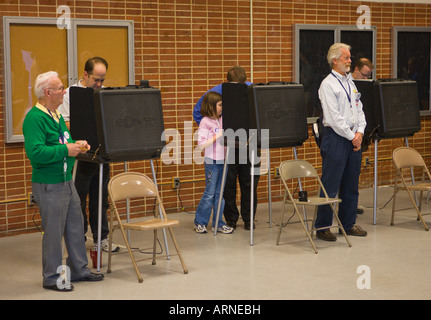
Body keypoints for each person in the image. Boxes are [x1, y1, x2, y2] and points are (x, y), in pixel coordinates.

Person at [23, 71, 104, 292]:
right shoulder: (34, 118)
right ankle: (51, 277)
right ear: (48, 92)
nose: (64, 91)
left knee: (75, 227)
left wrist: (77, 145)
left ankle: (79, 269)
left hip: (66, 180)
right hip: (49, 183)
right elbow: (36, 152)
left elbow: (64, 142)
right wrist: (66, 149)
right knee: (54, 232)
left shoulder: (56, 115)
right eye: (59, 88)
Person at [58, 57, 119, 252]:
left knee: (100, 199)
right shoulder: (69, 95)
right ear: (85, 74)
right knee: (78, 198)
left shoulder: (101, 93)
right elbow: (64, 125)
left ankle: (101, 238)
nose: (99, 84)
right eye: (96, 79)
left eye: (102, 80)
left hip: (100, 154)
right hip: (80, 155)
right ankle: (78, 238)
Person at [193, 66, 259, 230]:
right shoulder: (223, 91)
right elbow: (199, 112)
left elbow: (197, 112)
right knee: (235, 183)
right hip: (230, 144)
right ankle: (238, 220)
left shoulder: (249, 90)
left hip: (244, 142)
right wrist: (212, 129)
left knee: (243, 182)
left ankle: (241, 219)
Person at [315, 43, 368, 241]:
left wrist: (360, 132)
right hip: (336, 138)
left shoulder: (350, 82)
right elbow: (334, 117)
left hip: (354, 137)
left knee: (351, 183)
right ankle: (323, 227)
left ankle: (348, 224)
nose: (349, 61)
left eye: (349, 57)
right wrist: (351, 135)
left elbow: (359, 108)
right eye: (346, 58)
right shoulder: (328, 84)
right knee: (330, 183)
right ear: (334, 61)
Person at [194, 92, 234, 234]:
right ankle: (200, 222)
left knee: (220, 193)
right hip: (212, 161)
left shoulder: (222, 119)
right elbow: (201, 145)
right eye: (219, 105)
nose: (222, 108)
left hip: (224, 160)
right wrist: (218, 135)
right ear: (211, 106)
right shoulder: (205, 122)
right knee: (210, 193)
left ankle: (218, 222)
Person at [351, 57, 375, 214]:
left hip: (360, 132)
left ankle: (352, 204)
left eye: (368, 76)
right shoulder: (348, 85)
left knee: (355, 172)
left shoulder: (366, 88)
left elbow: (362, 111)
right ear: (356, 70)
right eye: (364, 75)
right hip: (345, 134)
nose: (366, 79)